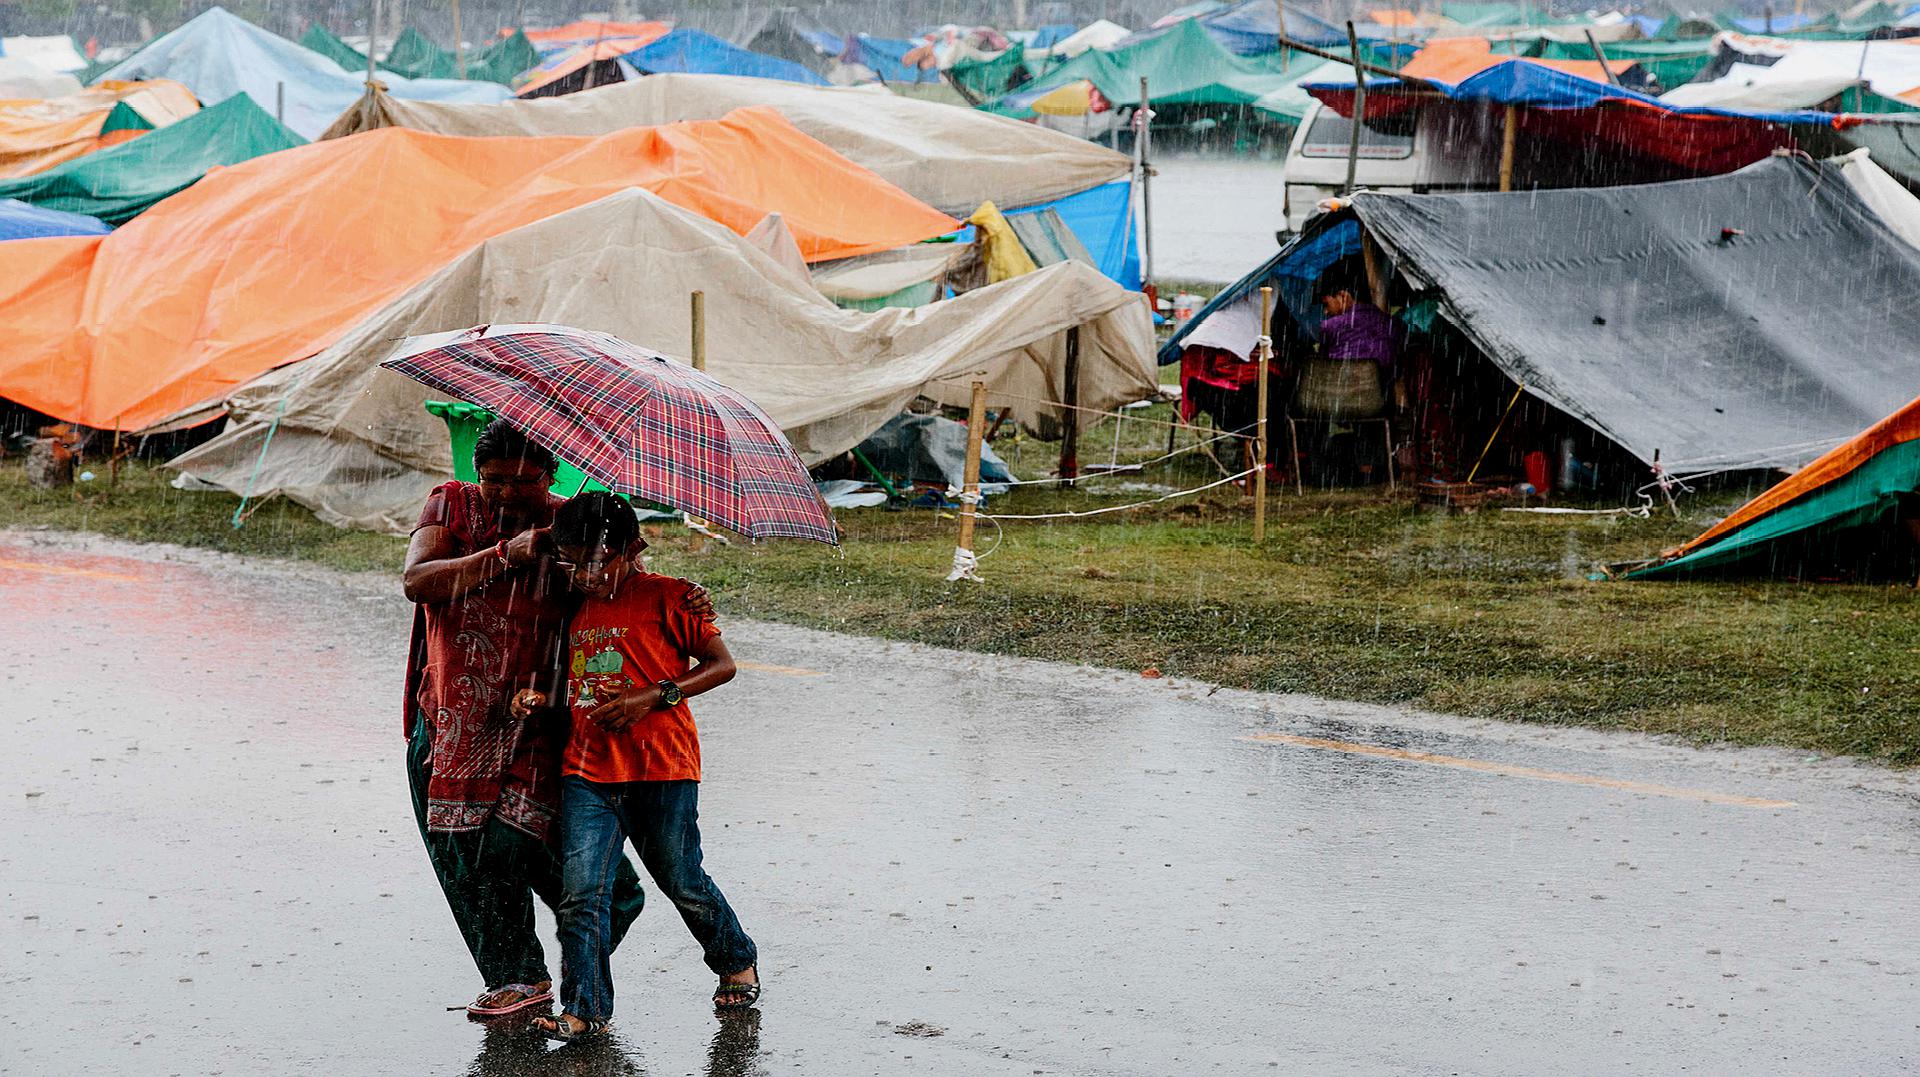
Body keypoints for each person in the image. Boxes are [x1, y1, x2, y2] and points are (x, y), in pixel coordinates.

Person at [403, 419, 674, 1020]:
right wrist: (506, 554)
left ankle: (595, 933)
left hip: (538, 717)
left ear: (552, 477)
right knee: (461, 852)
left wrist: (679, 599)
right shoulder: (451, 504)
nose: (505, 493)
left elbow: (618, 584)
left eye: (523, 482)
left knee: (515, 844)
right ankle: (517, 977)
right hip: (451, 718)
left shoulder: (573, 522)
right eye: (494, 480)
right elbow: (419, 582)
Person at [531, 491, 759, 1042]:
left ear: (633, 548)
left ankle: (735, 958)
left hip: (662, 770)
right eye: (572, 562)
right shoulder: (573, 605)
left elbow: (721, 665)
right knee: (582, 892)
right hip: (586, 771)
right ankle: (584, 1009)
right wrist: (540, 699)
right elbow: (582, 682)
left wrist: (652, 698)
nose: (584, 575)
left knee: (682, 881)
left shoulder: (672, 597)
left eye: (596, 562)